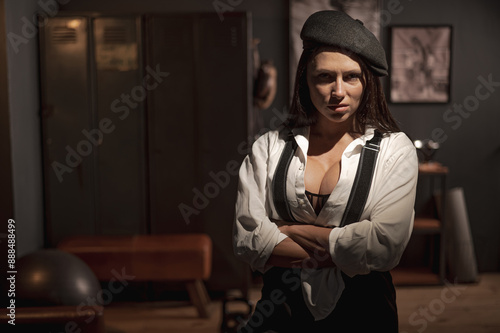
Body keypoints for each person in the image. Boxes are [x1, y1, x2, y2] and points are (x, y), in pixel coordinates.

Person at [233, 10, 418, 332]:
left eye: (351, 77)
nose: (338, 92)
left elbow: (384, 247)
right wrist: (347, 247)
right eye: (324, 77)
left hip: (366, 311)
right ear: (305, 80)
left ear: (367, 82)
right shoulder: (269, 147)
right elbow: (247, 240)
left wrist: (284, 230)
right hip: (281, 311)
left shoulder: (394, 149)